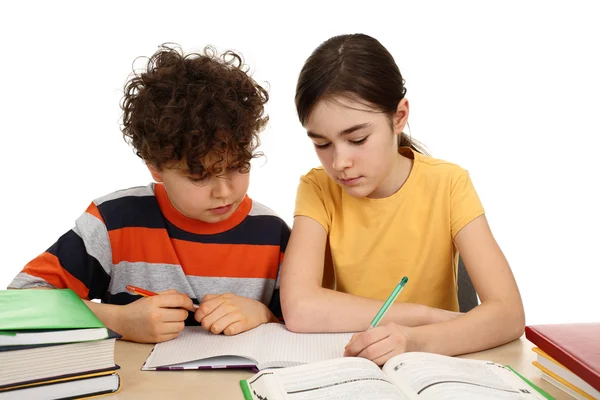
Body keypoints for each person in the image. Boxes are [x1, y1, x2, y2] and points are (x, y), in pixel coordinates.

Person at [8, 44, 289, 344]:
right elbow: (21, 301)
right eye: (199, 176)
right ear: (155, 167)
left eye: (236, 167)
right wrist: (118, 320)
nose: (223, 191)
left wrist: (264, 315)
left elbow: (305, 327)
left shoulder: (273, 234)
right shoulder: (114, 222)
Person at [280, 33, 525, 365]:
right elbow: (298, 308)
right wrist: (424, 315)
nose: (339, 163)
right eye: (322, 144)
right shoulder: (317, 189)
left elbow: (509, 313)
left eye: (357, 138)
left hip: (433, 366)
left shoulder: (448, 183)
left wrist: (415, 339)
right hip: (346, 367)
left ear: (398, 116)